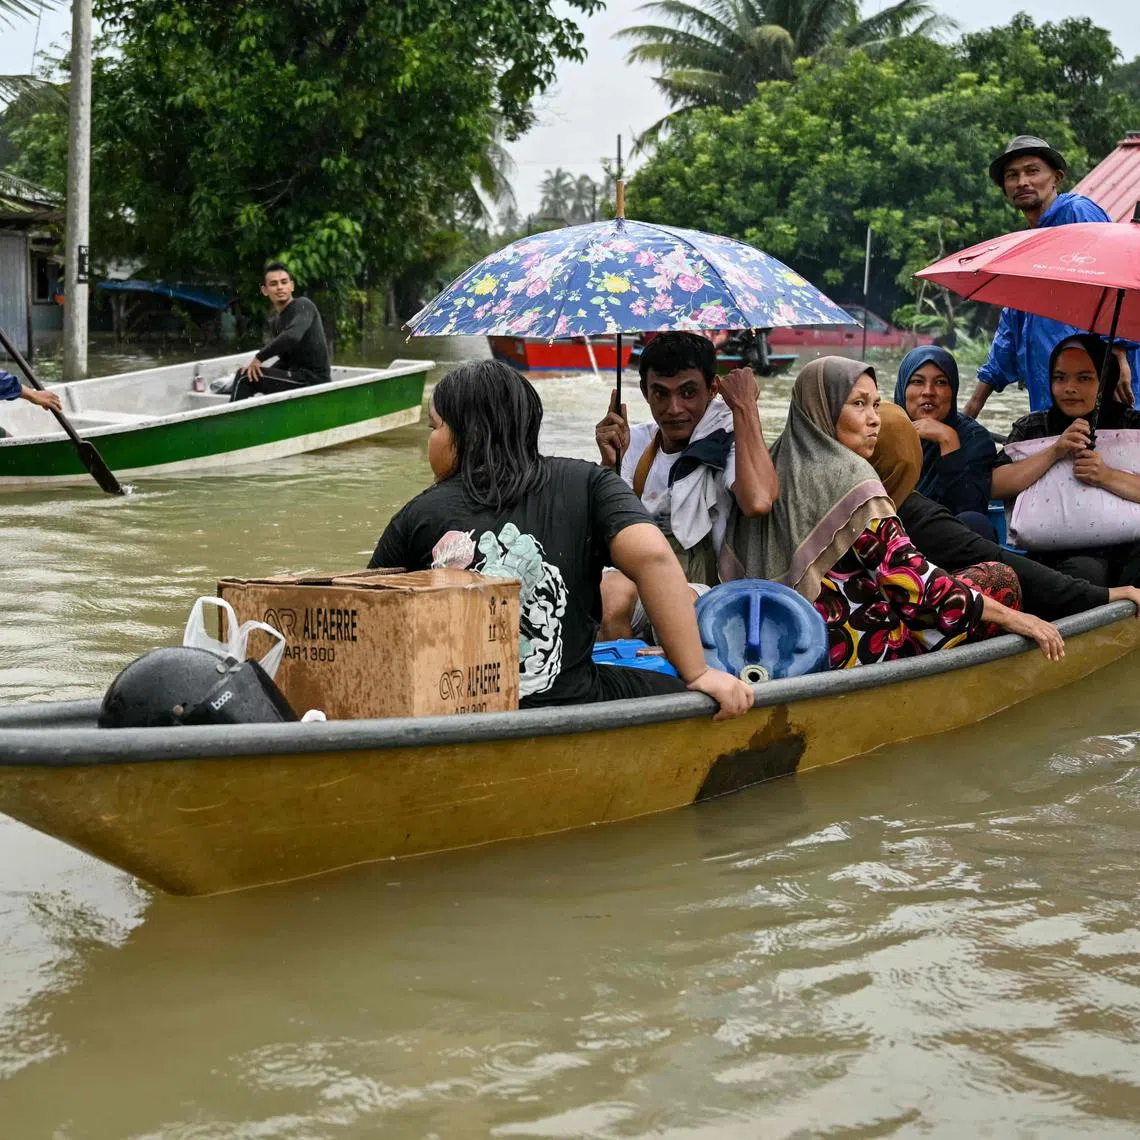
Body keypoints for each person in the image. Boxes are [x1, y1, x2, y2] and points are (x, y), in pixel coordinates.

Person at [369, 359, 754, 719]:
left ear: (463, 434)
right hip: (573, 698)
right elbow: (653, 558)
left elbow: (365, 612)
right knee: (680, 692)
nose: (430, 442)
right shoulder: (588, 483)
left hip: (455, 708)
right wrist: (698, 672)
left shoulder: (417, 514)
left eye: (434, 428)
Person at [726, 357, 1065, 668]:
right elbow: (914, 581)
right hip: (844, 647)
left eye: (876, 404)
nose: (874, 419)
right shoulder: (852, 476)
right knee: (997, 579)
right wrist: (1017, 619)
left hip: (768, 637)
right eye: (858, 404)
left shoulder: (772, 465)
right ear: (823, 409)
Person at [871, 402, 1140, 621]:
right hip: (891, 616)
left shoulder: (970, 438)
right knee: (1001, 575)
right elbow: (984, 550)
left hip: (1111, 553)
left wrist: (1106, 475)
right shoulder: (1032, 427)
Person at [594, 331, 778, 640]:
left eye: (688, 393)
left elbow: (759, 501)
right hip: (640, 581)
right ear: (644, 392)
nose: (674, 408)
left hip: (705, 590)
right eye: (661, 394)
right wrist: (606, 465)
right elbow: (603, 533)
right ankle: (625, 679)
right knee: (608, 594)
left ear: (712, 389)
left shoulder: (726, 441)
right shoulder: (633, 442)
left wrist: (745, 406)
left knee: (679, 606)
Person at [963, 135, 1137, 418]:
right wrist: (970, 410)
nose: (1022, 182)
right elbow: (1010, 330)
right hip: (1051, 397)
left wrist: (1118, 351)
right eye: (1012, 176)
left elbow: (1112, 285)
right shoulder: (1028, 245)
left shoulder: (1076, 212)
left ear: (1056, 178)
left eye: (1032, 171)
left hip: (1098, 387)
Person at [992, 335, 1140, 588]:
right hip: (1054, 548)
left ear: (1106, 380)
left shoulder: (1132, 425)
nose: (1070, 388)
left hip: (1130, 547)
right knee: (1082, 572)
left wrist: (1106, 475)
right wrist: (1054, 451)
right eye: (1060, 378)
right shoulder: (1033, 427)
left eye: (1084, 378)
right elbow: (994, 485)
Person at [894, 346, 996, 539]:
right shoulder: (882, 431)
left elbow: (969, 510)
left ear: (953, 390)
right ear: (902, 387)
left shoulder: (974, 438)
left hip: (945, 543)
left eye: (940, 382)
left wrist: (948, 441)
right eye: (917, 381)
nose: (928, 392)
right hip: (891, 540)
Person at [232, 261, 331, 401]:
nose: (280, 287)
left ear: (292, 286)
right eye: (273, 284)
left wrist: (260, 357)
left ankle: (233, 422)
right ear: (264, 290)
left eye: (284, 282)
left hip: (313, 380)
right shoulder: (277, 322)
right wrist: (259, 373)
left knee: (244, 379)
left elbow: (292, 337)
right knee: (247, 375)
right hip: (296, 378)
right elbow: (285, 362)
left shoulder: (303, 306)